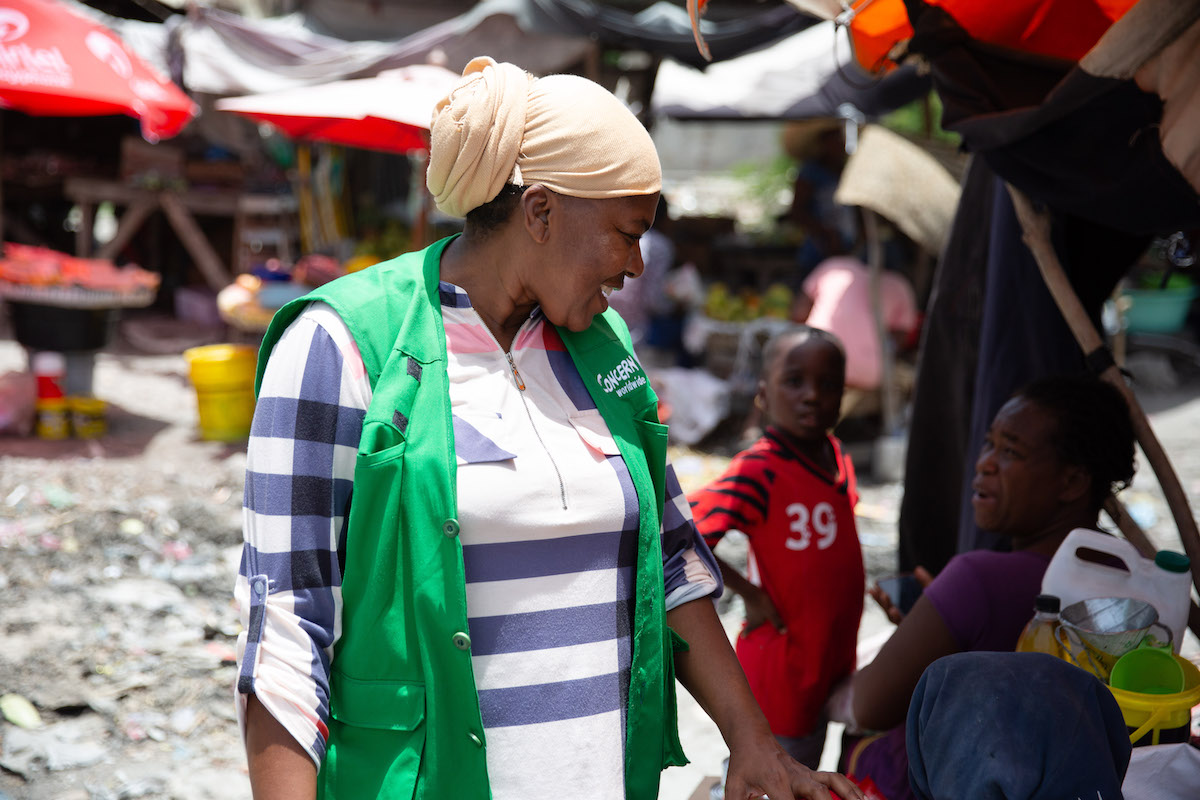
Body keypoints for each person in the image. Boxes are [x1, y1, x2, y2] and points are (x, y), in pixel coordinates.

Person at [234, 57, 863, 800]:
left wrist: (753, 744)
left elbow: (670, 558)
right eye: (627, 234)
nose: (635, 266)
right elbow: (286, 623)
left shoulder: (605, 352)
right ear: (539, 213)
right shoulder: (341, 345)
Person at [829, 372, 1136, 799]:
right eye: (989, 443)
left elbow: (866, 706)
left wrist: (929, 618)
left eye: (1010, 451)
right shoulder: (1133, 576)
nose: (984, 462)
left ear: (1072, 482)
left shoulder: (976, 581)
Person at [689, 326, 866, 770]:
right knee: (776, 775)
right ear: (763, 396)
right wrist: (748, 592)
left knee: (810, 769)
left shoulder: (836, 454)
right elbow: (684, 531)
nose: (811, 396)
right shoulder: (760, 470)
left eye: (827, 385)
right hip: (783, 668)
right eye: (795, 381)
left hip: (830, 657)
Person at [790, 255, 919, 417]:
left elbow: (798, 314)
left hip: (813, 361)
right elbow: (899, 340)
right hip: (868, 373)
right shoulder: (900, 285)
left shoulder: (835, 267)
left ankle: (752, 425)